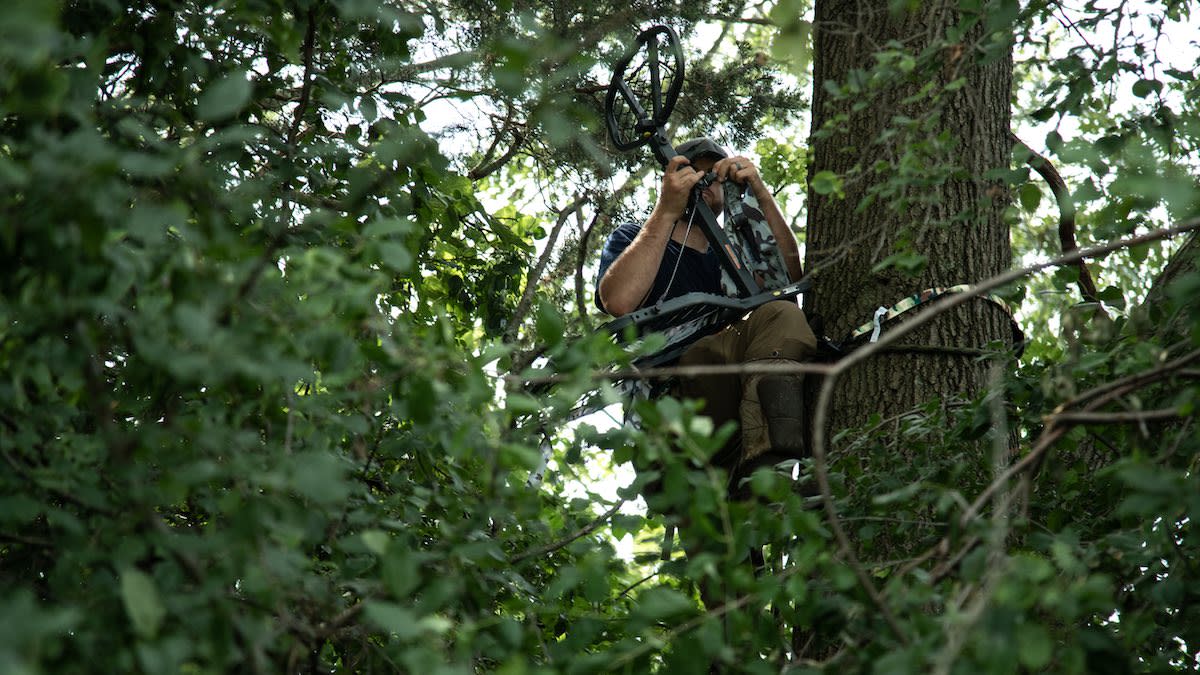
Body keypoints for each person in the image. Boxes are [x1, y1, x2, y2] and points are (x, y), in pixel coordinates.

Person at [595, 137, 819, 493]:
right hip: (673, 396)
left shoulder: (736, 252)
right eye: (693, 173)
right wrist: (667, 211)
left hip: (738, 407)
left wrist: (758, 193)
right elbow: (618, 300)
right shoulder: (637, 235)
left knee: (782, 316)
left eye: (714, 175)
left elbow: (790, 283)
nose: (704, 182)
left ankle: (767, 471)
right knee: (709, 542)